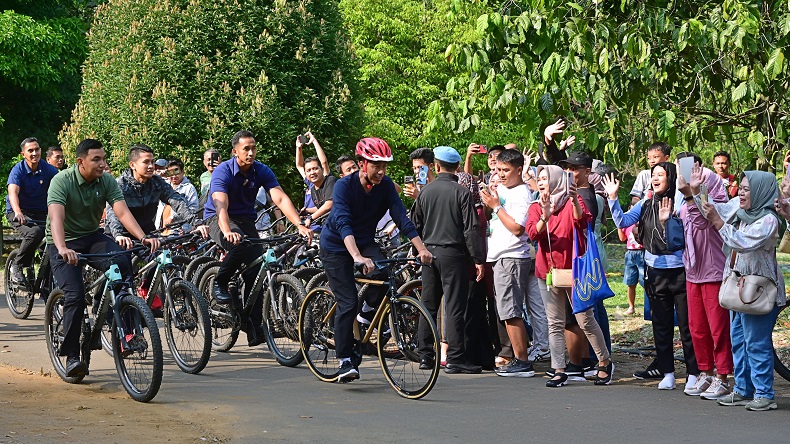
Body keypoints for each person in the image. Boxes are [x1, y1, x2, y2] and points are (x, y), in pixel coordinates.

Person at [319, 137, 432, 382]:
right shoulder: (343, 186)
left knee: (383, 274)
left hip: (365, 242)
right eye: (375, 165)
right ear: (362, 164)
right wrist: (356, 256)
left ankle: (365, 316)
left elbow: (402, 217)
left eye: (384, 166)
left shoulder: (386, 185)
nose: (381, 171)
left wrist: (421, 249)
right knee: (347, 302)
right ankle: (345, 359)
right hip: (337, 245)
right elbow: (342, 223)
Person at [47, 138, 159, 378]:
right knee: (74, 296)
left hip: (92, 237)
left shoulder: (106, 180)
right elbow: (56, 219)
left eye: (103, 158)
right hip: (63, 241)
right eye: (96, 159)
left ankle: (121, 324)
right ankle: (72, 356)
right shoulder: (62, 181)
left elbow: (121, 211)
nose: (102, 164)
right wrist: (63, 248)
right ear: (81, 162)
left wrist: (142, 238)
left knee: (122, 262)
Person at [204, 130, 311, 347]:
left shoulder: (261, 170)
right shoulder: (223, 171)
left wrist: (299, 224)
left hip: (245, 221)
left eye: (253, 148)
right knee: (238, 244)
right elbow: (220, 205)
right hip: (218, 219)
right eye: (246, 149)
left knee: (257, 271)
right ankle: (221, 282)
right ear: (235, 151)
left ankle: (254, 327)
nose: (251, 152)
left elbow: (279, 197)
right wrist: (226, 231)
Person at [604, 162, 698, 390]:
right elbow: (623, 222)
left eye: (660, 174)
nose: (655, 179)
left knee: (687, 326)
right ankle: (667, 373)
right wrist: (613, 198)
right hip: (654, 272)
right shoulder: (646, 204)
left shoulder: (680, 203)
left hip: (681, 272)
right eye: (653, 175)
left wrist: (669, 221)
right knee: (661, 325)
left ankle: (694, 373)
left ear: (671, 178)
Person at [697, 168, 784, 411]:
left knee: (756, 342)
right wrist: (696, 189)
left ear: (760, 191)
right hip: (738, 286)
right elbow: (715, 210)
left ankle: (764, 394)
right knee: (738, 340)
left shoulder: (768, 219)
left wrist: (717, 221)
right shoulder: (742, 210)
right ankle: (743, 389)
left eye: (747, 189)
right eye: (741, 188)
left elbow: (741, 243)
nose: (742, 193)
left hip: (758, 290)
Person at [525, 164, 613, 387]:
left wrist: (574, 201)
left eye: (546, 177)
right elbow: (533, 234)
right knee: (554, 322)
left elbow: (583, 222)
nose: (542, 181)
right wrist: (545, 216)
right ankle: (559, 369)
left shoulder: (573, 201)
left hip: (575, 271)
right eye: (540, 178)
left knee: (585, 319)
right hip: (547, 272)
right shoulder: (536, 206)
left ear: (556, 179)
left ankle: (604, 361)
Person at [412, 146, 485, 374]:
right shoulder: (461, 193)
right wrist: (478, 258)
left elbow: (415, 224)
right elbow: (470, 229)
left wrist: (419, 250)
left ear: (436, 166)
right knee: (454, 307)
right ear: (456, 168)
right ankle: (455, 358)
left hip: (429, 253)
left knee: (428, 305)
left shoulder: (425, 192)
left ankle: (425, 355)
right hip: (454, 254)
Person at [480, 148, 539, 378]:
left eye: (506, 170)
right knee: (505, 310)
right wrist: (489, 201)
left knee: (511, 311)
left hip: (512, 256)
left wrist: (496, 206)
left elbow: (518, 228)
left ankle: (522, 361)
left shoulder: (522, 193)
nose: (501, 174)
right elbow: (489, 217)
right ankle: (518, 358)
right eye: (497, 170)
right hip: (499, 255)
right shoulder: (502, 188)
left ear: (518, 169)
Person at [677, 165, 733, 399]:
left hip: (713, 273)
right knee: (697, 328)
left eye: (700, 180)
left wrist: (693, 195)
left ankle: (723, 376)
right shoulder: (685, 203)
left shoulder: (719, 206)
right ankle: (705, 372)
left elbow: (701, 222)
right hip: (693, 272)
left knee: (718, 329)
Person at [5, 137, 59, 283]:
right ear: (23, 154)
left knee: (55, 238)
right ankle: (17, 264)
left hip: (42, 214)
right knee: (34, 233)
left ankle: (47, 285)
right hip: (19, 212)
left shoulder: (49, 170)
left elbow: (63, 187)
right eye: (30, 150)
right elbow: (12, 193)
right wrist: (18, 212)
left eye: (37, 149)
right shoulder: (18, 170)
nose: (34, 153)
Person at [295, 133, 335, 224]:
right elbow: (299, 165)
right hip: (313, 224)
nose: (312, 172)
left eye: (315, 168)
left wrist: (313, 141)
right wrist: (299, 148)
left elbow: (324, 162)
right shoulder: (312, 186)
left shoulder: (328, 180)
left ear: (321, 169)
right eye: (309, 170)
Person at [617, 221, 644, 315]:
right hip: (630, 253)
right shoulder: (626, 223)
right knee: (631, 283)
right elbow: (622, 238)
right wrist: (619, 225)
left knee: (645, 282)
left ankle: (649, 306)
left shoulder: (643, 221)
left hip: (642, 252)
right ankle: (631, 307)